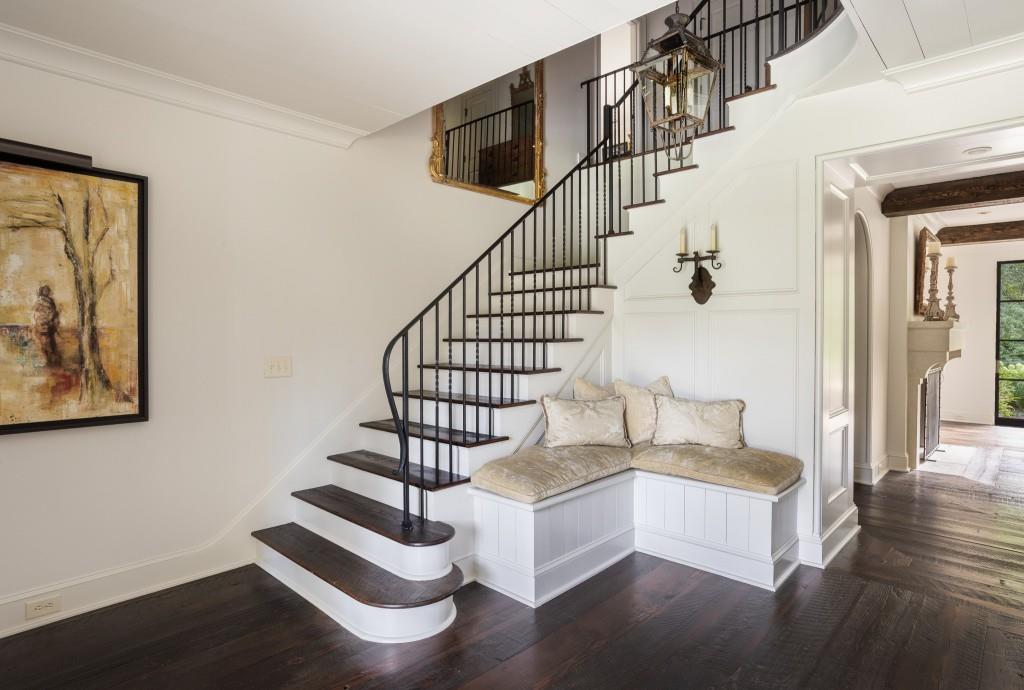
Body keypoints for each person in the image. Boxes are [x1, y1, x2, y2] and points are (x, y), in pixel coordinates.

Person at [32, 285, 61, 367]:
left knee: (51, 342)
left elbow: (53, 312)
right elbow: (37, 313)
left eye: (47, 290)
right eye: (45, 290)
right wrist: (41, 321)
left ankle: (52, 359)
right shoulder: (39, 302)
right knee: (44, 342)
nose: (47, 292)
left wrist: (54, 318)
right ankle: (46, 359)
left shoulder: (51, 301)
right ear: (41, 291)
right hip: (42, 324)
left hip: (50, 324)